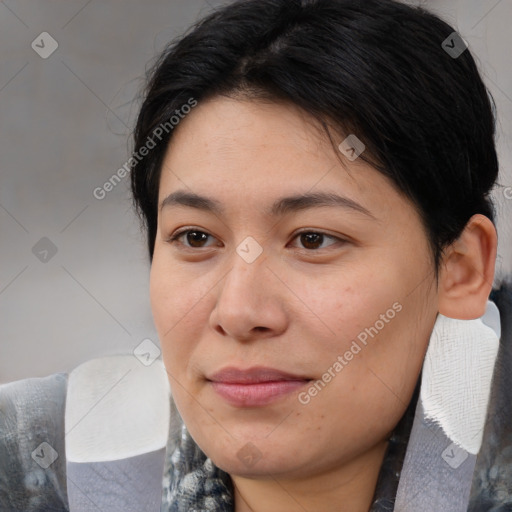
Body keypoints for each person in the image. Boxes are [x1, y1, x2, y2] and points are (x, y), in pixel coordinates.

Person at [1, 0, 511, 511]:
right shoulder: (34, 470)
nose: (240, 313)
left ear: (462, 269)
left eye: (312, 239)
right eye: (196, 238)